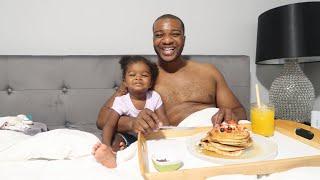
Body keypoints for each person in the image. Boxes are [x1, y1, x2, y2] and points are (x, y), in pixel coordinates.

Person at [96, 14, 246, 142]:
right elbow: (102, 119)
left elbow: (239, 111)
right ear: (153, 39)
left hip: (216, 138)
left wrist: (230, 114)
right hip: (175, 141)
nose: (167, 40)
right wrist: (132, 123)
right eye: (159, 35)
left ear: (184, 38)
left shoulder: (209, 72)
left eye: (174, 34)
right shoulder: (143, 78)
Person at [92, 55, 169, 168]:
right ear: (125, 82)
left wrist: (159, 127)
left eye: (144, 75)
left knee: (159, 144)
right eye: (132, 75)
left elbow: (165, 121)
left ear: (151, 83)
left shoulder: (154, 97)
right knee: (117, 140)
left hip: (149, 136)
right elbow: (109, 125)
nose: (138, 78)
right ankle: (109, 156)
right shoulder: (121, 101)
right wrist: (106, 146)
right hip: (129, 137)